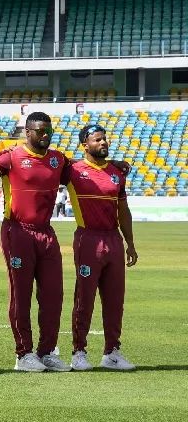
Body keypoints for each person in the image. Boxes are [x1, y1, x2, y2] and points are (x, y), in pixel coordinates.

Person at [0, 111, 73, 372]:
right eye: (40, 131)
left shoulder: (58, 160)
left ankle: (47, 351)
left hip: (46, 232)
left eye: (48, 131)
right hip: (17, 231)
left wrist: (116, 164)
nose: (45, 135)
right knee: (21, 294)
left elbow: (84, 171)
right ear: (27, 132)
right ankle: (24, 354)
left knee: (53, 294)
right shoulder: (12, 157)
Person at [67, 124, 138, 371]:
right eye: (98, 140)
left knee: (115, 299)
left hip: (113, 240)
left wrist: (130, 243)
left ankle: (112, 352)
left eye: (105, 139)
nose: (104, 143)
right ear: (85, 145)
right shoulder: (73, 170)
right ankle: (78, 351)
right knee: (84, 297)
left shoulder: (116, 173)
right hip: (88, 239)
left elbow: (123, 211)